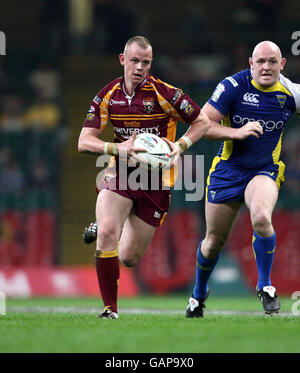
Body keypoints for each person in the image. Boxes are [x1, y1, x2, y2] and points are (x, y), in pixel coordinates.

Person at [78, 36, 210, 319]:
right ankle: (109, 310)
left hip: (157, 183)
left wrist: (181, 145)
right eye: (135, 61)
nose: (140, 67)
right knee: (108, 234)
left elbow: (202, 121)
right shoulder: (107, 95)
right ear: (122, 59)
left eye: (146, 62)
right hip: (121, 174)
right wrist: (117, 148)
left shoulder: (166, 94)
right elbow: (84, 142)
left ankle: (103, 223)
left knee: (128, 258)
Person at [186, 40, 300, 318]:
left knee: (261, 218)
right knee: (213, 241)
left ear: (282, 65)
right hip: (227, 172)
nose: (266, 67)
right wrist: (236, 133)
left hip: (264, 170)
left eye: (272, 61)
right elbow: (201, 125)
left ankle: (265, 286)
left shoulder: (292, 94)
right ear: (251, 63)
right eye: (260, 61)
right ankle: (199, 294)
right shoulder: (232, 87)